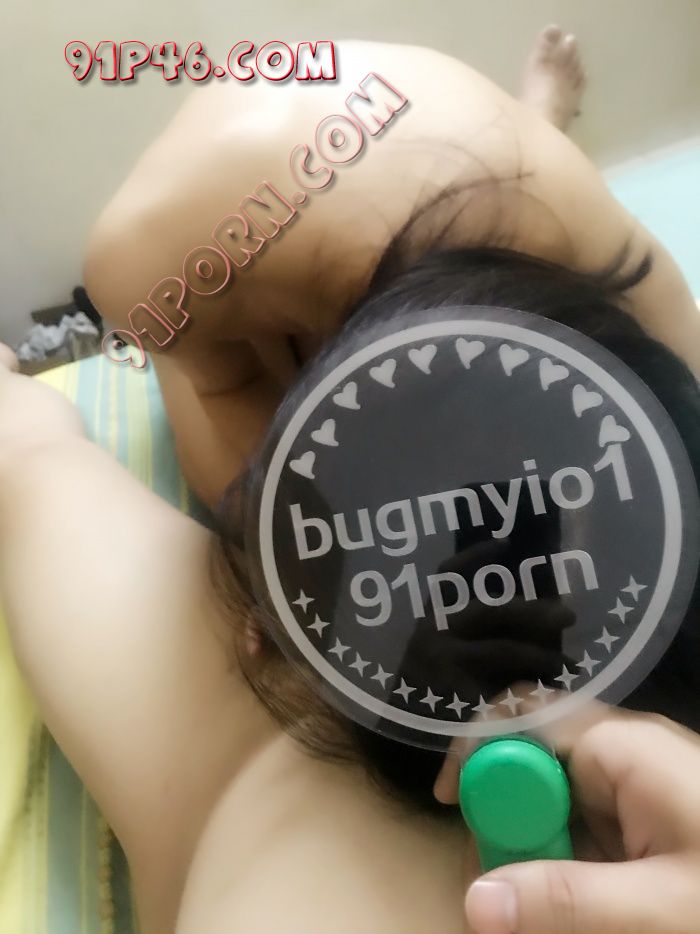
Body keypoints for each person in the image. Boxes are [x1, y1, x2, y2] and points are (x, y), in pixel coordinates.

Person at [1, 27, 699, 934]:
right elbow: (49, 458)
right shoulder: (167, 261)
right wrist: (277, 562)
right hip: (235, 232)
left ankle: (537, 116)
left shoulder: (593, 259)